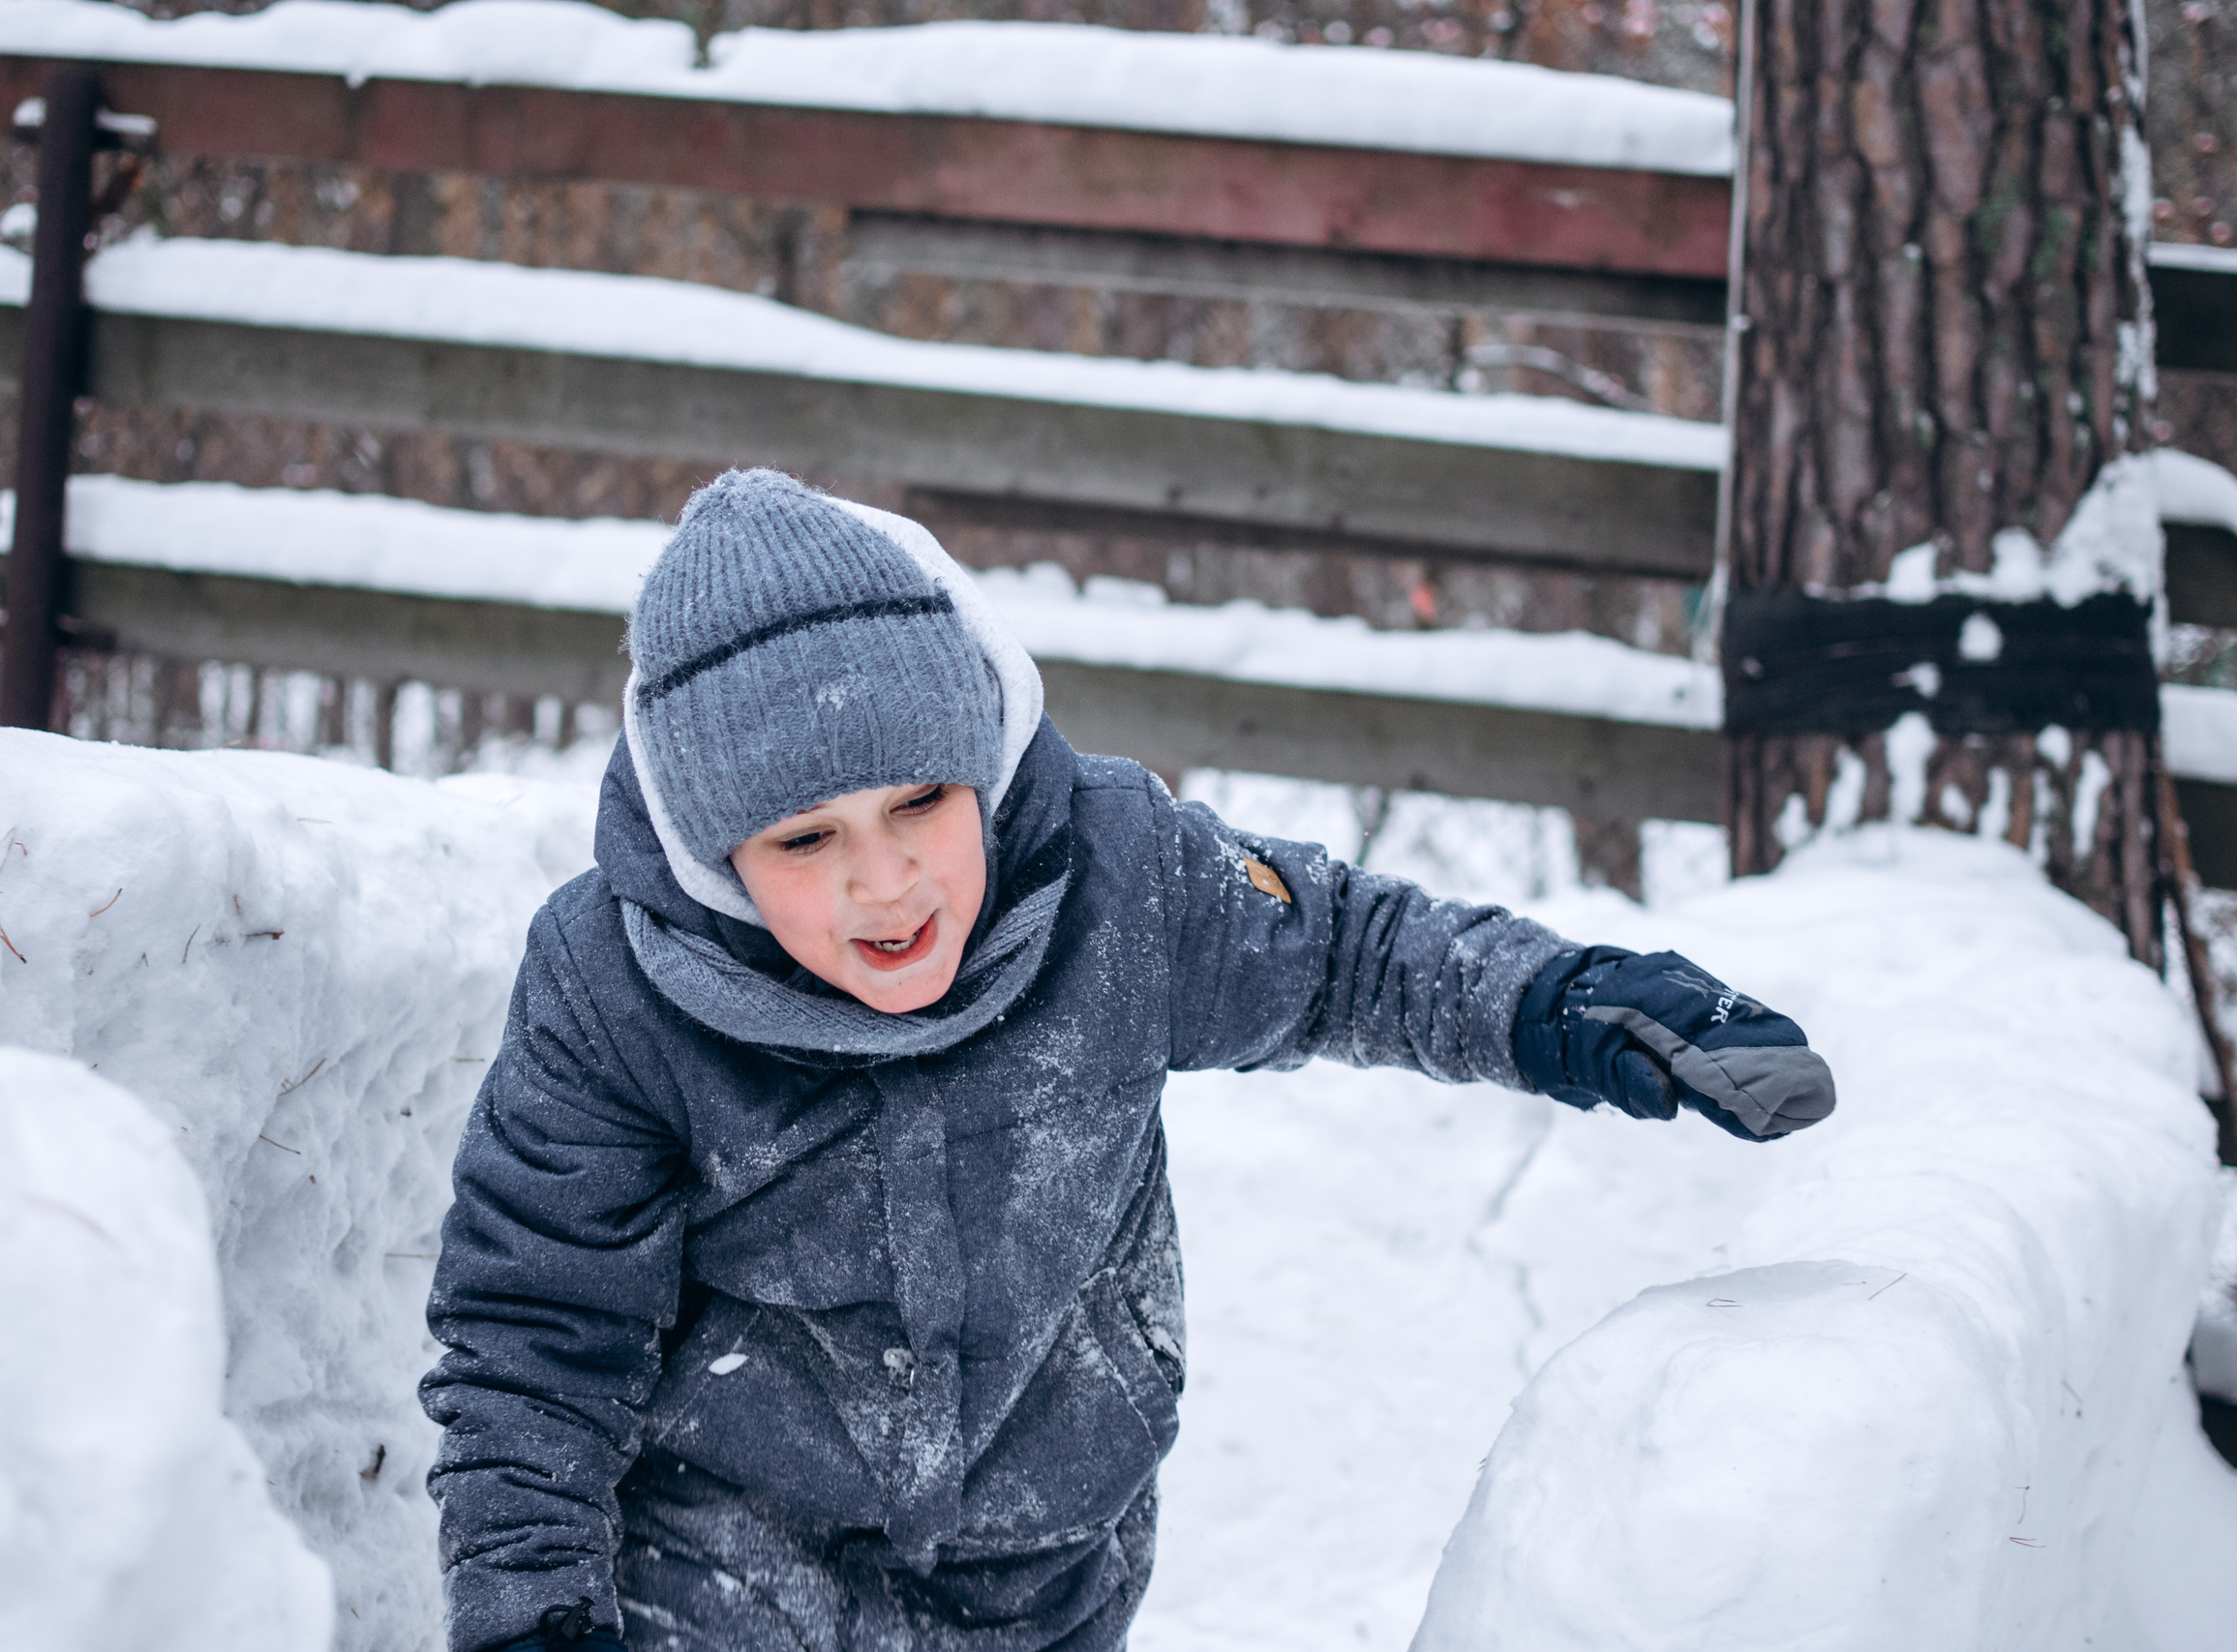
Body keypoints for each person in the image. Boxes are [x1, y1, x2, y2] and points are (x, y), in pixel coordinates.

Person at [420, 469, 1836, 1652]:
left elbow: (1352, 954)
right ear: (716, 861)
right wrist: (530, 1616)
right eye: (807, 840)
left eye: (922, 800)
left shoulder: (1115, 880)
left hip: (1037, 1568)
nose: (889, 882)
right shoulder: (616, 988)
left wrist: (1566, 1004)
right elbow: (535, 1330)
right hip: (726, 1570)